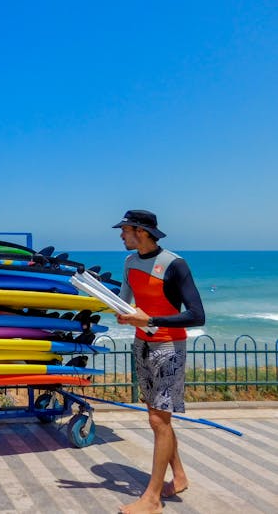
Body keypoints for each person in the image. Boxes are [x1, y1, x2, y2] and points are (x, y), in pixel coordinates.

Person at [112, 210, 205, 514]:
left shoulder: (175, 265)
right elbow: (126, 304)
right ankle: (178, 477)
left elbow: (196, 315)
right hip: (142, 344)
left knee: (158, 420)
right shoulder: (129, 263)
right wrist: (123, 315)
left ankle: (152, 499)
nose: (121, 235)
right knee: (157, 416)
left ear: (141, 231)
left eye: (125, 229)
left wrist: (150, 318)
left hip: (169, 346)